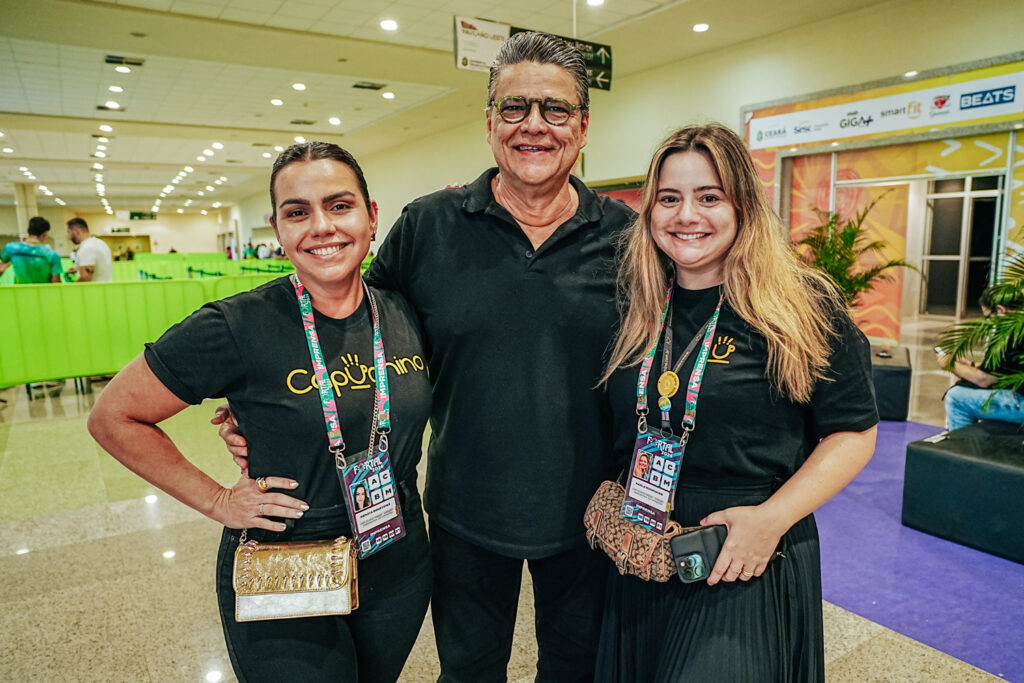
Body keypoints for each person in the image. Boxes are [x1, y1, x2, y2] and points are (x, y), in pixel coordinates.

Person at [218, 31, 634, 683]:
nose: (534, 125)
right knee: (468, 669)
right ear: (490, 120)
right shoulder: (430, 224)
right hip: (463, 509)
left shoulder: (626, 237)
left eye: (554, 109)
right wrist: (270, 404)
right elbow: (350, 316)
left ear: (582, 125)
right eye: (513, 107)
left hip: (588, 509)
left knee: (578, 665)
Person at [88, 142, 433, 683]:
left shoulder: (406, 312)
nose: (321, 226)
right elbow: (114, 416)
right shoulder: (236, 325)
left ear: (371, 216)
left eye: (339, 205)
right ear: (278, 230)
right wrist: (218, 499)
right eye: (298, 212)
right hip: (285, 556)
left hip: (396, 550)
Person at [595, 124, 878, 682]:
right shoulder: (638, 306)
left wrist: (771, 520)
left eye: (709, 197)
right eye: (669, 199)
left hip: (745, 548)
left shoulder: (801, 305)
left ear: (743, 206)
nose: (686, 215)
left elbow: (853, 432)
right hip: (646, 548)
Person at [940, 287, 1024, 430]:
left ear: (1000, 310)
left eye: (988, 316)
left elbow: (984, 380)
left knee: (956, 398)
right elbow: (1007, 370)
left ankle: (961, 448)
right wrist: (972, 364)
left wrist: (948, 363)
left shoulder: (1009, 335)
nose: (989, 322)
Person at [0, 216, 63, 283]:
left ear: (28, 230)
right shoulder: (52, 255)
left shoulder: (11, 248)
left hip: (20, 292)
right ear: (45, 234)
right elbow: (56, 282)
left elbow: (1, 268)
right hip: (43, 292)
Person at [66, 217, 113, 282]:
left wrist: (69, 289)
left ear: (76, 230)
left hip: (93, 291)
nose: (69, 237)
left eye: (68, 232)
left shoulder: (87, 248)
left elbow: (85, 278)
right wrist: (78, 269)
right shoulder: (101, 243)